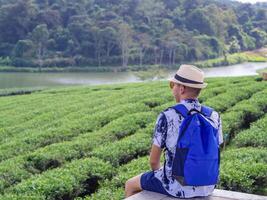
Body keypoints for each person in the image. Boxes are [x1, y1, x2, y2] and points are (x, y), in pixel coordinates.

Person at [125, 64, 223, 198]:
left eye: (173, 85)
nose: (172, 90)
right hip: (208, 186)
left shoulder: (167, 115)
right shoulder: (213, 115)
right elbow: (218, 148)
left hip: (176, 186)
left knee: (130, 184)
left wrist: (163, 174)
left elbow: (154, 162)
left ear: (181, 88)